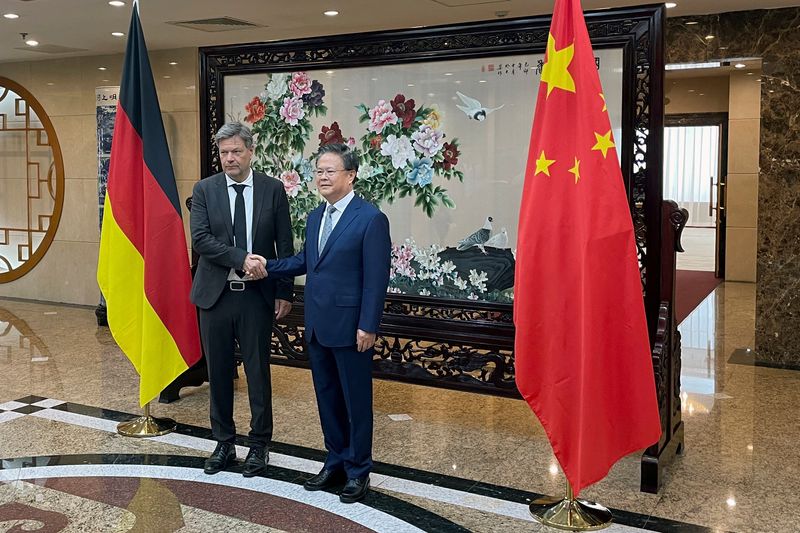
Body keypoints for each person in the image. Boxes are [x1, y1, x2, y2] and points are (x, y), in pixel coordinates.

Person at [265, 143, 391, 503]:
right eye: (318, 170)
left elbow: (376, 278)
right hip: (318, 326)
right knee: (327, 398)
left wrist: (368, 325)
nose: (321, 176)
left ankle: (358, 470)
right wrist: (265, 265)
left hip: (353, 329)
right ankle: (334, 461)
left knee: (356, 402)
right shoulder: (317, 216)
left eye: (329, 171)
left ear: (350, 176)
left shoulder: (370, 219)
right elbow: (307, 261)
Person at [189, 122, 294, 477]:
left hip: (256, 298)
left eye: (236, 151)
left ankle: (259, 445)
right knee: (218, 373)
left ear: (250, 151)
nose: (229, 158)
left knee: (257, 372)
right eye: (224, 153)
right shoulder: (205, 190)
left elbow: (285, 244)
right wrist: (240, 258)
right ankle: (223, 442)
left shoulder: (273, 190)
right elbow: (201, 240)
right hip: (215, 297)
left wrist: (284, 291)